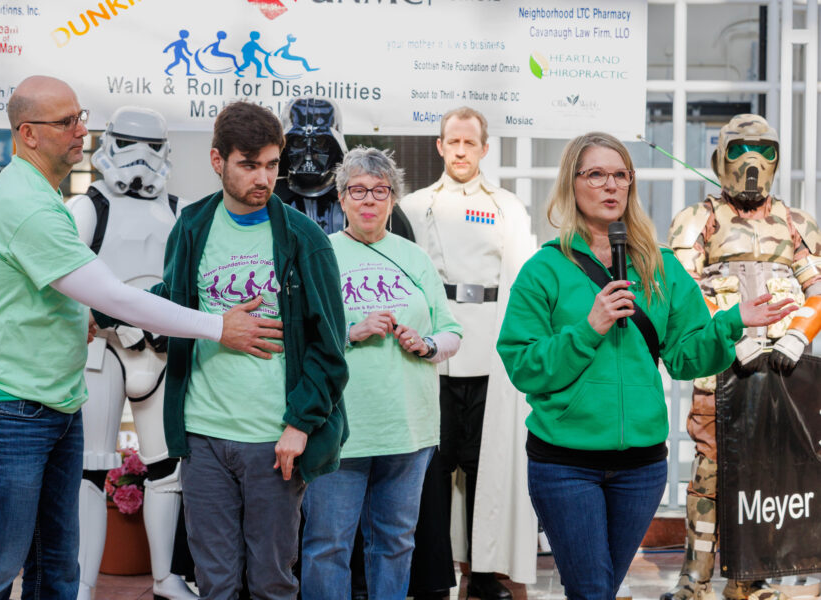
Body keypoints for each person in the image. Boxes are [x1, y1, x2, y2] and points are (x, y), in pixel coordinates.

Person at [0, 76, 273, 599]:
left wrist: (84, 317)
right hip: (6, 406)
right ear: (28, 134)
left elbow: (68, 293)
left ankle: (164, 575)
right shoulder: (32, 205)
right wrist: (216, 325)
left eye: (81, 116)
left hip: (54, 398)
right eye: (66, 122)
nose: (81, 130)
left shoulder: (46, 197)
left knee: (57, 567)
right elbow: (112, 294)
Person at [495, 131, 797, 600]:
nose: (611, 185)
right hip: (565, 465)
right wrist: (589, 327)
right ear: (572, 183)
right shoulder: (544, 270)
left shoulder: (661, 268)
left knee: (601, 588)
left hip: (641, 468)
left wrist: (734, 322)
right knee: (593, 591)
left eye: (621, 175)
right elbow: (524, 365)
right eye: (596, 174)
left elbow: (684, 357)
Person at [93, 100, 348, 599]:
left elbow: (330, 348)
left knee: (272, 582)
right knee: (214, 582)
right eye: (249, 165)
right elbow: (171, 301)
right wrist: (101, 313)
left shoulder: (304, 237)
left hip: (272, 439)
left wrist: (300, 424)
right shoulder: (192, 225)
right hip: (204, 434)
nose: (264, 178)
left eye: (272, 165)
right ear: (218, 161)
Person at [663, 114, 821, 600]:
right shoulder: (698, 220)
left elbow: (817, 286)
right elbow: (684, 291)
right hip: (723, 370)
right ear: (720, 155)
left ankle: (751, 577)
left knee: (768, 476)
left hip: (781, 373)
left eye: (764, 149)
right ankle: (696, 577)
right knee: (711, 472)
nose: (751, 160)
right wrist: (729, 337)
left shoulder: (797, 224)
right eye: (739, 149)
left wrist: (799, 332)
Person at [300, 147, 462, 599]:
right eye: (358, 190)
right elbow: (301, 340)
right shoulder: (320, 254)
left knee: (395, 544)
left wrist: (426, 344)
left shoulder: (416, 259)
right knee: (325, 546)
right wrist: (351, 332)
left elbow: (450, 333)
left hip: (408, 430)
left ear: (392, 199)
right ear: (340, 198)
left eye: (379, 191)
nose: (369, 200)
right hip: (339, 430)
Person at [401, 106, 538, 599]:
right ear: (440, 146)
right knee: (431, 468)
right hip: (429, 352)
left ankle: (482, 573)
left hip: (490, 350)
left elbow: (523, 281)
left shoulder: (508, 206)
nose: (460, 151)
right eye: (452, 142)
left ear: (484, 148)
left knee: (486, 465)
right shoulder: (412, 206)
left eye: (469, 143)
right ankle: (431, 572)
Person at [66, 106, 195, 600]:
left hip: (159, 353)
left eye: (152, 147)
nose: (141, 158)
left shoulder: (181, 211)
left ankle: (164, 577)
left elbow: (190, 284)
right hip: (102, 350)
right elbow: (65, 283)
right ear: (109, 143)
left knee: (167, 467)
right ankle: (83, 582)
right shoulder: (87, 208)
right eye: (129, 144)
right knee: (90, 468)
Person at [275, 96, 414, 241]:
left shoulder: (365, 198)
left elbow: (402, 251)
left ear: (335, 146)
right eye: (298, 142)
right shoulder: (270, 199)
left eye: (321, 143)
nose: (309, 154)